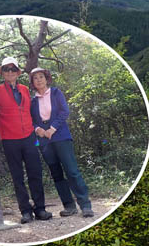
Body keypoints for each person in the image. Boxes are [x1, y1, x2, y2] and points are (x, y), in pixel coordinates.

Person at [0, 57, 53, 224]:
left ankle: (40, 209)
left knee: (35, 172)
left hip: (29, 138)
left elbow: (30, 111)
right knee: (18, 176)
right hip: (10, 140)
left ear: (17, 72)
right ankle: (25, 211)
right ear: (2, 72)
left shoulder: (24, 89)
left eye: (13, 69)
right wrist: (3, 131)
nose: (10, 72)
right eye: (6, 69)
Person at [30, 67, 94, 218]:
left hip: (61, 136)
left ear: (47, 78)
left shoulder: (56, 93)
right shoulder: (32, 101)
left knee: (72, 170)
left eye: (41, 77)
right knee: (56, 174)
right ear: (32, 82)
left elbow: (64, 111)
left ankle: (85, 205)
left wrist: (52, 128)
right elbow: (29, 120)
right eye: (35, 78)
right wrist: (38, 129)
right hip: (44, 141)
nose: (39, 80)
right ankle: (69, 206)